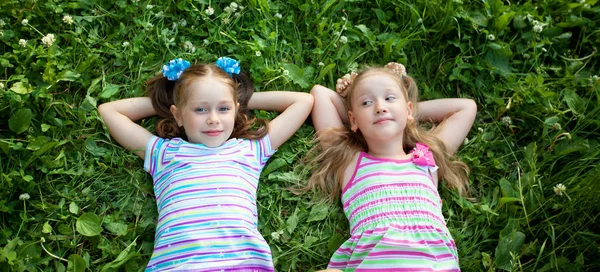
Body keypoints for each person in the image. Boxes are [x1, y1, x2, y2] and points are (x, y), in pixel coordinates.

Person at [98, 57, 313, 271]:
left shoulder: (249, 151)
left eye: (223, 109)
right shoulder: (164, 154)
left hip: (242, 266)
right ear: (178, 115)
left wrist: (239, 101)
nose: (213, 119)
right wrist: (171, 103)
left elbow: (303, 101)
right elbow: (109, 111)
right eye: (200, 109)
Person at [305, 63, 477, 271]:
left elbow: (466, 107)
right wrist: (365, 114)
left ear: (409, 109)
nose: (380, 107)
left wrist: (403, 110)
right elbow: (320, 95)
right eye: (367, 102)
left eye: (389, 98)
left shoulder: (427, 158)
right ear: (352, 119)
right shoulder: (350, 163)